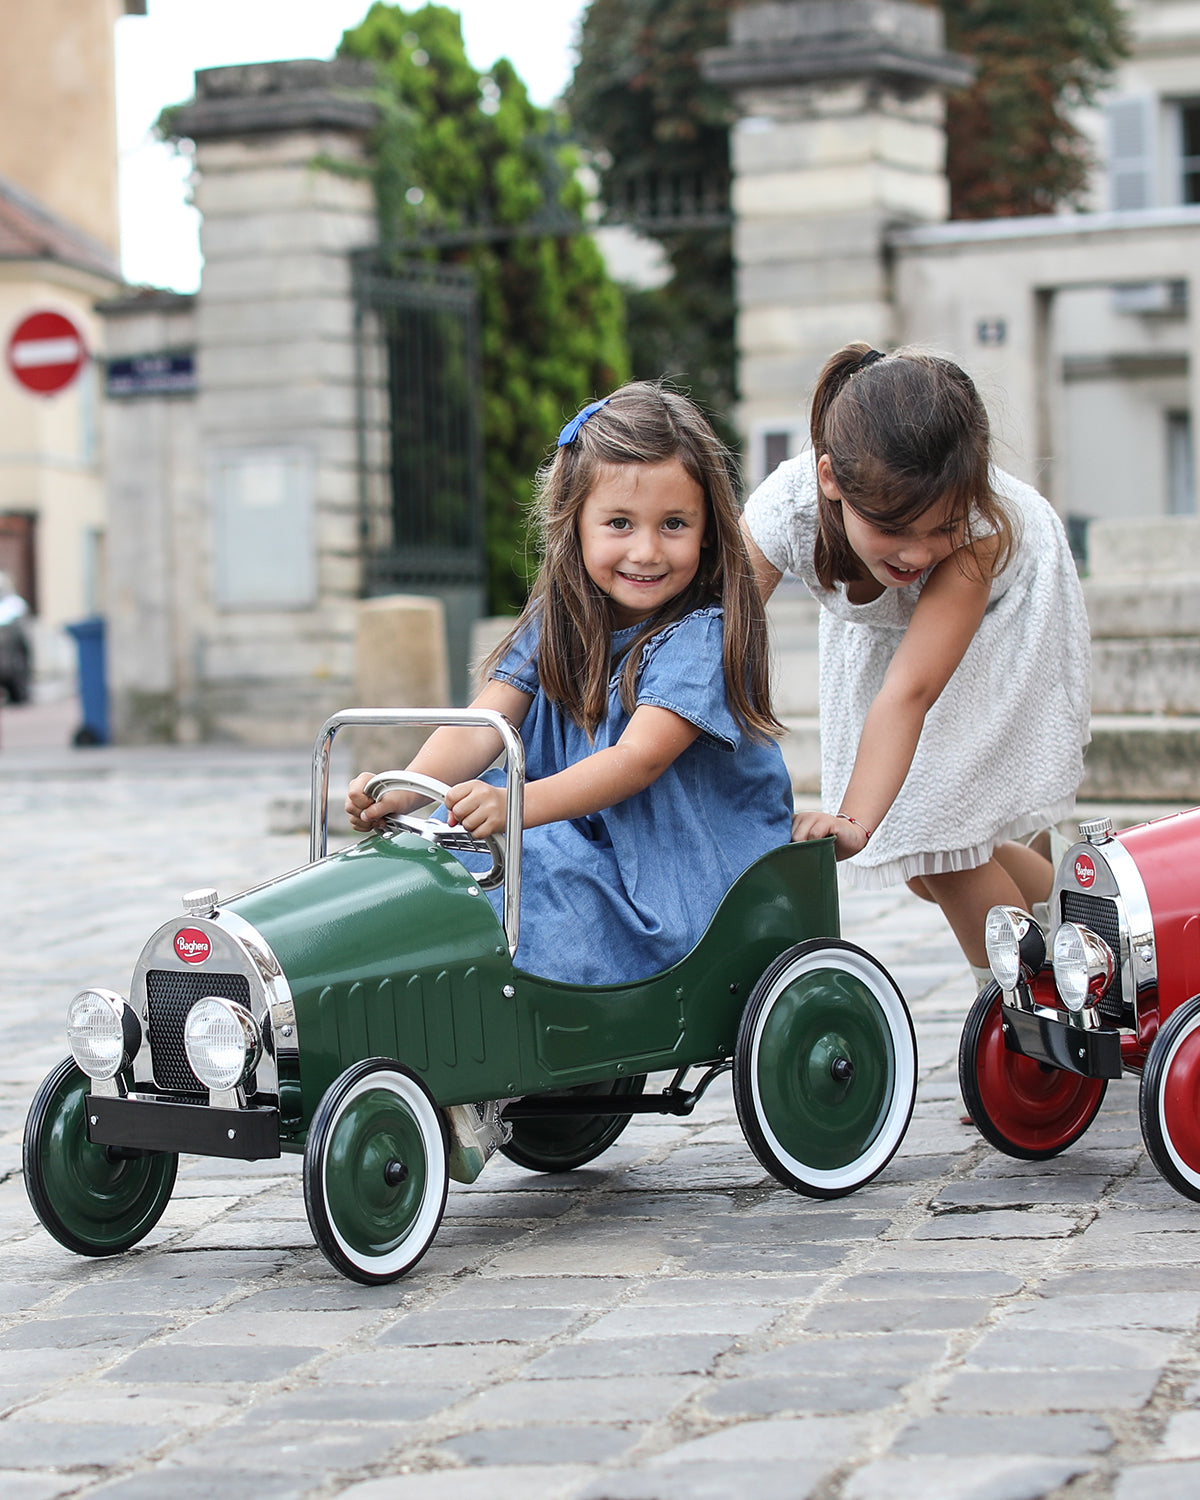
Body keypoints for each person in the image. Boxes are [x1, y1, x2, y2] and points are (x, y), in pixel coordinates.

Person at [347, 383, 793, 1172]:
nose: (646, 550)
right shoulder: (559, 619)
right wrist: (406, 787)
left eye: (674, 525)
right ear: (575, 525)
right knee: (446, 865)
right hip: (572, 839)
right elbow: (484, 723)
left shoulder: (699, 636)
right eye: (619, 524)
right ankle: (416, 1031)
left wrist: (516, 805)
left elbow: (637, 759)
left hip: (670, 874)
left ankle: (473, 1085)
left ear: (708, 532)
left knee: (528, 873)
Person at [740, 342, 1091, 991]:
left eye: (940, 528)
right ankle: (1084, 909)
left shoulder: (980, 533)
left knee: (935, 840)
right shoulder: (784, 509)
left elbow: (910, 690)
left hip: (1004, 613)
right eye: (895, 527)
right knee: (924, 865)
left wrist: (854, 820)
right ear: (830, 480)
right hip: (887, 631)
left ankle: (1027, 1007)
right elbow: (716, 633)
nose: (918, 553)